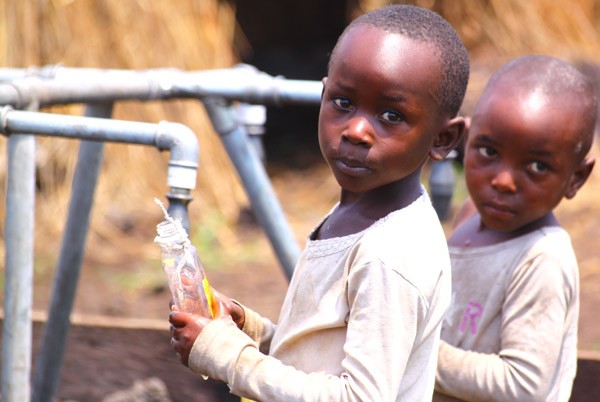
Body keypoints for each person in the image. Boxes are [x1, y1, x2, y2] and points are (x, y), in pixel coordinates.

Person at [169, 4, 470, 401]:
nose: (357, 130)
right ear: (324, 94)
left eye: (391, 115)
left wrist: (226, 355)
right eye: (344, 103)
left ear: (442, 140)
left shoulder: (389, 256)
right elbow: (322, 353)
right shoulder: (355, 213)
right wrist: (250, 330)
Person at [433, 55, 597, 402]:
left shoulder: (541, 260)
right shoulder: (468, 216)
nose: (504, 181)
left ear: (575, 178)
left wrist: (421, 353)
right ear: (466, 138)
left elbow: (522, 385)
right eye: (489, 151)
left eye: (537, 166)